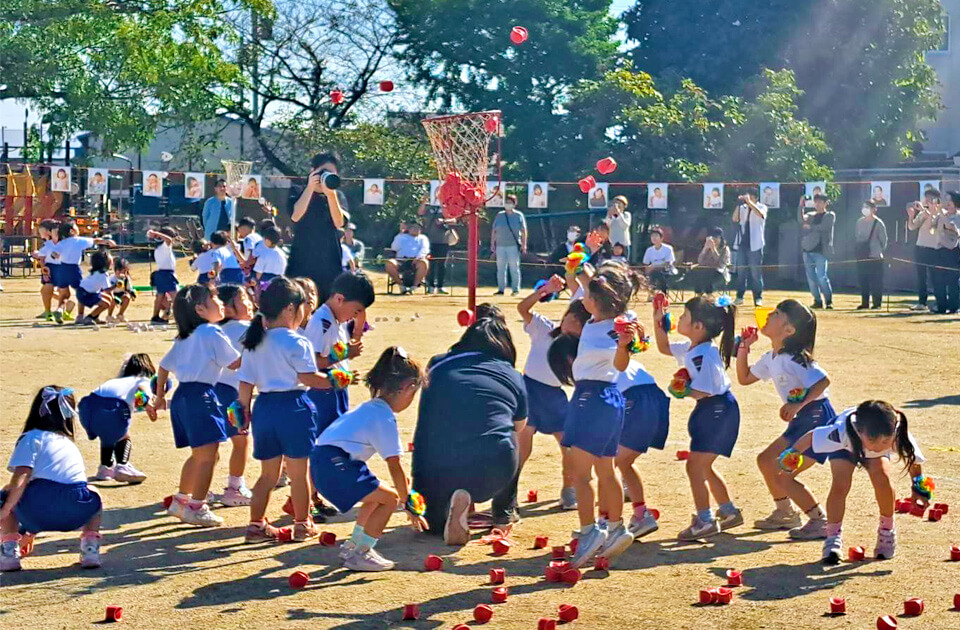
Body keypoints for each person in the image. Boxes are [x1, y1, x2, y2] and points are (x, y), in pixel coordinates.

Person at [312, 347, 428, 571]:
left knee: (376, 494)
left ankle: (354, 544)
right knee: (389, 499)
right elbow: (394, 465)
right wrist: (408, 504)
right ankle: (362, 552)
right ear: (407, 388)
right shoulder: (382, 416)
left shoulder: (368, 408)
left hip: (326, 462)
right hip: (334, 464)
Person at [412, 318, 527, 543]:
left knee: (432, 527)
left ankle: (447, 510)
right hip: (494, 468)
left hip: (441, 464)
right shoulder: (512, 374)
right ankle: (504, 512)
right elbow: (520, 426)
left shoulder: (437, 364)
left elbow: (423, 428)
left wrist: (418, 491)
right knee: (509, 434)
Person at [237, 278, 332, 543]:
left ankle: (255, 526)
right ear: (291, 309)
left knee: (268, 475)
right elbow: (311, 378)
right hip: (294, 408)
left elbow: (245, 383)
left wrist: (241, 412)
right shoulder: (296, 342)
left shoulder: (254, 342)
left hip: (264, 409)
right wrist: (335, 380)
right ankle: (302, 524)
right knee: (299, 473)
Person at [563, 265, 639, 568]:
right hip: (608, 400)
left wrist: (624, 345)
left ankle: (589, 531)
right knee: (606, 472)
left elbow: (621, 364)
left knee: (580, 475)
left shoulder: (613, 330)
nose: (582, 298)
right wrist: (583, 263)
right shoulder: (600, 317)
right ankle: (617, 528)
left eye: (588, 296)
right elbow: (586, 282)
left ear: (601, 300)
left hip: (590, 400)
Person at [736, 300, 833, 539]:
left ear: (789, 331)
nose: (769, 314)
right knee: (766, 460)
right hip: (803, 419)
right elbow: (745, 378)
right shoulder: (772, 357)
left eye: (777, 313)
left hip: (817, 418)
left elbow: (823, 381)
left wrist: (799, 404)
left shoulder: (796, 358)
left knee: (784, 474)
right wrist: (744, 348)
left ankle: (820, 520)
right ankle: (784, 512)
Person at [785, 401, 927, 562]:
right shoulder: (840, 433)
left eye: (886, 442)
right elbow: (811, 436)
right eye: (873, 441)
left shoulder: (898, 434)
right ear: (860, 431)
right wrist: (792, 454)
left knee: (883, 479)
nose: (878, 447)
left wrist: (919, 489)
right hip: (845, 447)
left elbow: (913, 461)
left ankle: (887, 531)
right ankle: (833, 538)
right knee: (840, 484)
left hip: (867, 442)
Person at [653, 295, 742, 541]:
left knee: (695, 467)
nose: (679, 319)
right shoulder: (694, 347)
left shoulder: (706, 354)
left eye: (684, 317)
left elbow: (709, 389)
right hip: (713, 411)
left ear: (698, 327)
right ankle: (729, 512)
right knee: (704, 466)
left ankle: (704, 520)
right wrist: (658, 320)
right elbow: (664, 347)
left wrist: (683, 390)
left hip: (717, 410)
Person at [155, 284, 242, 527]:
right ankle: (197, 506)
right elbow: (235, 363)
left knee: (199, 455)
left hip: (183, 396)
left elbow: (163, 366)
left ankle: (180, 500)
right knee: (209, 455)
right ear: (201, 309)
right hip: (202, 396)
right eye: (215, 299)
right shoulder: (212, 333)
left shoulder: (184, 336)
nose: (221, 302)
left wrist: (160, 396)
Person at [0, 387, 103, 572]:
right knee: (93, 493)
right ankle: (90, 550)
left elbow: (22, 477)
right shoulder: (68, 443)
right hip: (75, 512)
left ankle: (9, 553)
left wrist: (5, 509)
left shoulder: (31, 438)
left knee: (9, 491)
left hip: (38, 509)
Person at [516, 276, 590, 511]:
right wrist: (545, 290)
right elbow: (522, 308)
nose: (573, 322)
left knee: (567, 444)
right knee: (522, 441)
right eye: (571, 316)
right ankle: (509, 491)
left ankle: (569, 489)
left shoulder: (583, 346)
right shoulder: (545, 328)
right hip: (528, 390)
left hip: (555, 397)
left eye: (580, 321)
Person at [303, 271, 374, 436]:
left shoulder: (337, 319)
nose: (354, 316)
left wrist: (357, 333)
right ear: (339, 299)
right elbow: (311, 361)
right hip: (322, 392)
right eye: (355, 311)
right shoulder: (322, 321)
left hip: (336, 389)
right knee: (325, 438)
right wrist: (346, 353)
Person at [79, 354, 157, 484]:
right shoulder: (142, 379)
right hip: (112, 408)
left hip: (87, 408)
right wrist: (147, 403)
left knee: (107, 435)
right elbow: (142, 392)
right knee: (123, 435)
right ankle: (122, 466)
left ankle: (105, 468)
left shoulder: (115, 381)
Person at [213, 285, 255, 507]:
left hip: (210, 391)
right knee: (241, 441)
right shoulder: (244, 328)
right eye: (242, 299)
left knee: (210, 445)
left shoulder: (214, 330)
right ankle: (235, 487)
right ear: (228, 308)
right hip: (231, 393)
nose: (248, 303)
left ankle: (198, 489)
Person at [288, 152, 348, 301]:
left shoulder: (337, 196)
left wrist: (330, 194)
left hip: (330, 263)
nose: (326, 176)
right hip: (301, 260)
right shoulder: (298, 191)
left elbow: (339, 223)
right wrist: (310, 188)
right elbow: (296, 216)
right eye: (323, 172)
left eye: (332, 173)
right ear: (312, 171)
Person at [51, 220, 114, 324]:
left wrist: (56, 256)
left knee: (64, 293)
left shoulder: (62, 242)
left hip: (61, 269)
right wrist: (107, 242)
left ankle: (60, 309)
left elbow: (54, 254)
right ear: (72, 231)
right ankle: (81, 315)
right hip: (73, 269)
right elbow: (95, 241)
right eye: (76, 227)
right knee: (81, 290)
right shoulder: (78, 240)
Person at [907, 189, 943, 312]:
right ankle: (922, 302)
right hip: (920, 247)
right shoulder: (923, 213)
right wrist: (911, 216)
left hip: (934, 249)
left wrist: (924, 210)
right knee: (921, 277)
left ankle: (939, 302)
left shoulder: (940, 214)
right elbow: (912, 227)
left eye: (930, 199)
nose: (927, 201)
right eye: (926, 198)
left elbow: (934, 225)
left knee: (935, 277)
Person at [798, 194, 836, 309]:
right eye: (816, 202)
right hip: (808, 250)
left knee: (821, 276)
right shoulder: (811, 215)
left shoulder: (830, 215)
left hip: (821, 251)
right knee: (811, 278)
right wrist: (801, 206)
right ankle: (817, 301)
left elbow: (824, 227)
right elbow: (801, 221)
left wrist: (810, 227)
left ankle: (828, 301)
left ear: (825, 203)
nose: (817, 204)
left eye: (820, 202)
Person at [732, 192, 767, 307]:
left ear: (756, 198)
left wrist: (750, 203)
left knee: (755, 273)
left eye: (751, 197)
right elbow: (735, 219)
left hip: (755, 244)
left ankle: (758, 297)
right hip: (742, 243)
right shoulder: (743, 208)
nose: (748, 199)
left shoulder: (761, 206)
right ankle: (739, 296)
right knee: (741, 272)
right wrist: (738, 204)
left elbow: (761, 214)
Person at [490, 194, 527, 296]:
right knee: (500, 269)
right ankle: (501, 289)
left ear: (514, 204)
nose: (508, 204)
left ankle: (515, 289)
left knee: (514, 268)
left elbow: (524, 231)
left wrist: (524, 244)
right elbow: (494, 230)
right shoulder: (499, 215)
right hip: (500, 246)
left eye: (510, 202)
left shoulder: (519, 215)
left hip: (513, 246)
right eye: (506, 202)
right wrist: (492, 243)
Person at [418, 197, 456, 294]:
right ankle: (430, 285)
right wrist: (424, 202)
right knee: (430, 264)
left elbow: (454, 219)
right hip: (429, 241)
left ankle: (440, 286)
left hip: (443, 240)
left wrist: (443, 221)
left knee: (442, 265)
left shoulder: (447, 205)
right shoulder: (429, 206)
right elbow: (420, 213)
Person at [855, 200, 888, 310]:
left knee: (876, 281)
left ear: (874, 209)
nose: (865, 209)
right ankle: (865, 302)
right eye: (864, 207)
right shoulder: (859, 222)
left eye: (868, 207)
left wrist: (878, 250)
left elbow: (884, 241)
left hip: (875, 256)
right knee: (863, 280)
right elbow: (857, 237)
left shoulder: (878, 223)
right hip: (862, 255)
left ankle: (877, 303)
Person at [932, 191, 960, 314]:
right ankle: (941, 306)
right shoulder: (941, 215)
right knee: (938, 280)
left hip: (953, 251)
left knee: (952, 280)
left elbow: (951, 227)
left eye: (950, 201)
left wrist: (941, 214)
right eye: (946, 200)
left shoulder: (958, 216)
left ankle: (954, 306)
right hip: (939, 250)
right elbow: (931, 227)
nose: (947, 203)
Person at [146, 227, 180, 324]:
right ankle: (182, 317)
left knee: (160, 296)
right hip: (167, 274)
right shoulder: (165, 246)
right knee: (175, 297)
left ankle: (155, 316)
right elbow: (168, 240)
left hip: (161, 274)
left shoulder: (159, 248)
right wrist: (157, 233)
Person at [386, 221, 430, 294]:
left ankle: (414, 287)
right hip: (401, 260)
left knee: (424, 263)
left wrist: (418, 257)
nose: (415, 229)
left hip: (416, 261)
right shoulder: (400, 236)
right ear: (409, 229)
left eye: (417, 228)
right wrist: (400, 234)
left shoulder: (423, 238)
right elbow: (394, 247)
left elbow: (425, 249)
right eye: (413, 227)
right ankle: (401, 286)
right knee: (389, 263)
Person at [75, 250, 117, 325]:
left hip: (81, 291)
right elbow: (107, 289)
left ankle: (84, 316)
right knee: (106, 304)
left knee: (107, 298)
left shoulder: (95, 272)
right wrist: (116, 286)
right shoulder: (103, 274)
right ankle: (90, 317)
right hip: (87, 295)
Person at [31, 219, 60, 321]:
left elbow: (44, 258)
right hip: (59, 268)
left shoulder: (50, 243)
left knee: (47, 289)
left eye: (41, 231)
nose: (40, 233)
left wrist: (38, 256)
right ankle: (59, 309)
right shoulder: (55, 242)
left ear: (48, 231)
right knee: (46, 290)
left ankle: (48, 312)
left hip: (51, 268)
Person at [691, 228, 730, 295]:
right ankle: (699, 293)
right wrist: (705, 249)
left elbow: (720, 263)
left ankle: (709, 294)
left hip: (719, 273)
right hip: (704, 272)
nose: (714, 240)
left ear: (721, 239)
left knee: (708, 273)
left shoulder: (725, 249)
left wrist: (713, 248)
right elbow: (700, 261)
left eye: (717, 238)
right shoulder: (707, 248)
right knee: (697, 272)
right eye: (713, 238)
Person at [642, 227, 676, 293]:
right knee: (653, 274)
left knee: (657, 273)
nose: (654, 238)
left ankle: (662, 293)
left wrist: (654, 266)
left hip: (667, 271)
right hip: (653, 271)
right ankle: (652, 292)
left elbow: (668, 263)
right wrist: (647, 271)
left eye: (656, 236)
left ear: (661, 238)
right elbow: (646, 264)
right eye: (652, 236)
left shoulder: (668, 248)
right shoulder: (649, 250)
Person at [111, 257, 136, 323]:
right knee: (112, 300)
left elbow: (129, 288)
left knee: (127, 298)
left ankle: (120, 314)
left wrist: (131, 292)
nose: (122, 273)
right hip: (112, 295)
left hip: (121, 294)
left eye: (125, 271)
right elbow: (108, 289)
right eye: (120, 271)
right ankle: (109, 316)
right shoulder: (112, 278)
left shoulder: (126, 279)